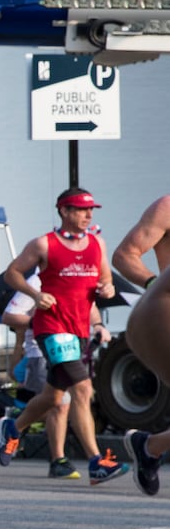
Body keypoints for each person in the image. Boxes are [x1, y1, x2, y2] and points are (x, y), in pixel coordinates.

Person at [0, 188, 126, 486]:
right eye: (81, 210)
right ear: (64, 211)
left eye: (91, 210)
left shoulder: (97, 244)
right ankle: (96, 461)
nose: (88, 215)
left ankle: (13, 428)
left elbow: (105, 280)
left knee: (55, 396)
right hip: (52, 328)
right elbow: (12, 273)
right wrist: (35, 294)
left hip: (79, 329)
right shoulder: (44, 244)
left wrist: (107, 290)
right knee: (82, 390)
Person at [0, 274, 70, 473]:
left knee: (69, 399)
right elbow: (15, 374)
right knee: (60, 402)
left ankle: (15, 427)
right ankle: (55, 457)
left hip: (66, 352)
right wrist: (20, 339)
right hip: (38, 366)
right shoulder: (28, 339)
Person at [114, 194, 170, 497]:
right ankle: (150, 446)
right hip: (162, 312)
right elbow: (124, 255)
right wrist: (152, 284)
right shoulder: (167, 207)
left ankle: (151, 446)